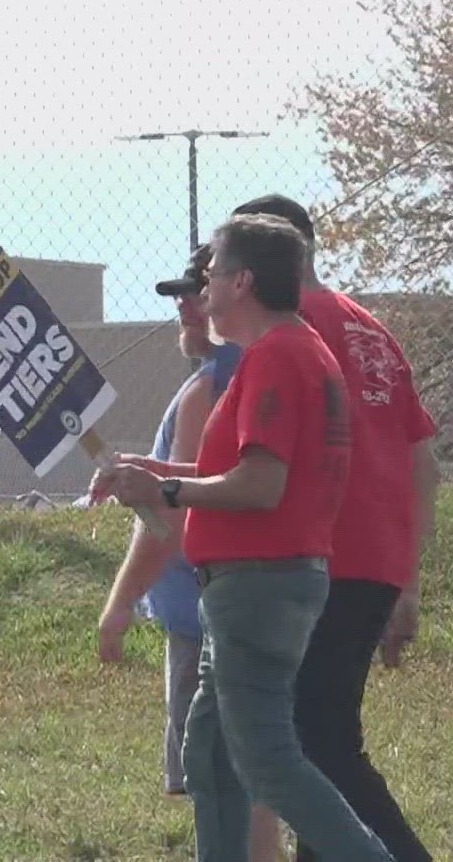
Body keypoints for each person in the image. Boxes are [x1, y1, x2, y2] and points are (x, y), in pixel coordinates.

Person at [94, 214, 392, 862]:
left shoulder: (280, 355)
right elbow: (223, 474)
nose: (202, 290)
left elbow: (261, 486)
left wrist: (166, 494)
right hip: (252, 584)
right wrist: (149, 472)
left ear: (244, 281)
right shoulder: (286, 350)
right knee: (211, 752)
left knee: (268, 764)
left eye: (212, 275)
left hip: (260, 584)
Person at [230, 195, 440, 862]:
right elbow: (423, 464)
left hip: (324, 558)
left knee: (317, 743)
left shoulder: (290, 330)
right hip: (375, 560)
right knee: (316, 740)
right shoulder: (368, 327)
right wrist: (405, 581)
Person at [96, 247, 283, 861]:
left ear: (230, 292)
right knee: (251, 768)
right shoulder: (261, 368)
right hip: (251, 596)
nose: (182, 307)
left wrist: (118, 604)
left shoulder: (210, 385)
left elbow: (170, 517)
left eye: (193, 292)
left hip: (201, 607)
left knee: (216, 774)